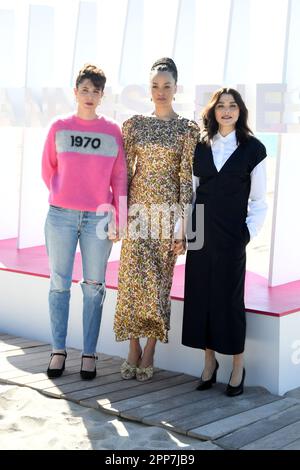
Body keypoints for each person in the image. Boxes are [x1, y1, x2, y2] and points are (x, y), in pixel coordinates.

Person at [113, 57, 199, 382]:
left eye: (166, 85)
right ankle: (132, 346)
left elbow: (185, 179)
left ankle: (150, 349)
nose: (160, 91)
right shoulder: (134, 125)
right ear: (148, 90)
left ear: (176, 88)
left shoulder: (188, 129)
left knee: (159, 284)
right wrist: (118, 215)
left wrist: (184, 227)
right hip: (137, 213)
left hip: (167, 215)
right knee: (133, 282)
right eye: (155, 86)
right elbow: (123, 173)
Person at [42, 64, 127, 380]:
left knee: (94, 287)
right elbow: (48, 169)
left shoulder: (112, 131)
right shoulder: (59, 127)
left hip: (98, 219)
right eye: (85, 89)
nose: (90, 96)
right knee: (59, 283)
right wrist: (64, 195)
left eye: (96, 91)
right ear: (75, 91)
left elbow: (120, 177)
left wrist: (118, 215)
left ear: (102, 96)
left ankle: (89, 353)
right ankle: (58, 350)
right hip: (60, 216)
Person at [182, 88, 267, 396]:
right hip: (200, 232)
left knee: (229, 300)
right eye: (221, 106)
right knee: (201, 296)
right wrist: (187, 233)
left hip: (232, 234)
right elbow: (192, 195)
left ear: (240, 111)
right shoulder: (200, 146)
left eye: (233, 106)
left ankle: (237, 366)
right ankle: (209, 363)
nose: (227, 111)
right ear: (213, 111)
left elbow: (259, 201)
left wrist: (247, 234)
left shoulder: (253, 149)